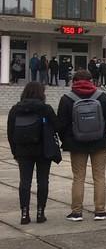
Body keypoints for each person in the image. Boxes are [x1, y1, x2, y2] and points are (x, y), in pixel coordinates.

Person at [57, 70, 106, 221]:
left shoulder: (67, 98)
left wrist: (67, 140)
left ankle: (76, 212)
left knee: (78, 177)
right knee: (99, 176)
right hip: (100, 142)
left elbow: (61, 124)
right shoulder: (102, 97)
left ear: (74, 81)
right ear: (91, 81)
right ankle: (100, 211)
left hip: (76, 143)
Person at [8, 81, 60, 224]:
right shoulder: (46, 109)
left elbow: (10, 132)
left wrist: (15, 152)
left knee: (25, 181)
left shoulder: (15, 109)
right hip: (43, 150)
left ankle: (24, 214)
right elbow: (57, 126)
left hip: (23, 150)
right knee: (43, 180)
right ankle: (40, 213)